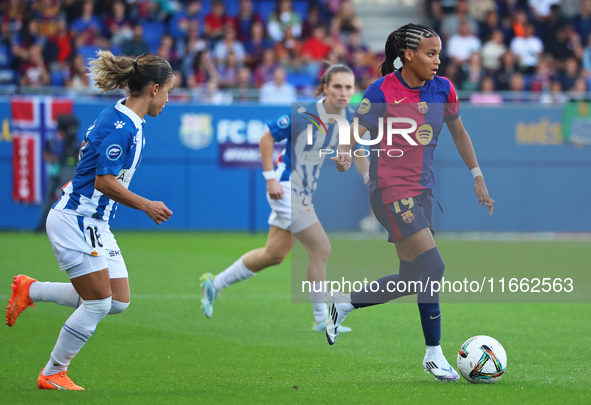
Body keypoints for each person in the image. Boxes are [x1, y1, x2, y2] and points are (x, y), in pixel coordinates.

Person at [327, 23, 495, 381]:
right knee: (434, 267)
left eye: (438, 53)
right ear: (408, 55)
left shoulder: (443, 89)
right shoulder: (383, 90)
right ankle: (433, 354)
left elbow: (459, 132)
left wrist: (477, 175)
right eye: (430, 54)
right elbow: (355, 132)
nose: (437, 61)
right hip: (389, 189)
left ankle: (344, 303)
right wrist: (344, 155)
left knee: (412, 278)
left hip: (422, 190)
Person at [5, 51, 174, 390]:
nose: (168, 101)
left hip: (95, 223)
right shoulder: (120, 126)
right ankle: (53, 372)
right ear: (154, 88)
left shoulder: (126, 119)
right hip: (77, 219)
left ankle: (31, 289)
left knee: (118, 301)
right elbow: (103, 181)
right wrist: (146, 205)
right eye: (169, 91)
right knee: (97, 303)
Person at [200, 64, 369, 331]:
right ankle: (321, 319)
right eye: (337, 86)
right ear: (325, 87)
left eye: (349, 87)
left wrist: (355, 170)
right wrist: (269, 178)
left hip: (302, 193)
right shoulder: (304, 113)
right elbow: (267, 139)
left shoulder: (347, 121)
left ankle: (215, 283)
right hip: (285, 187)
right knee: (321, 248)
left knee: (274, 254)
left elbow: (352, 154)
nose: (344, 92)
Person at [35, 114, 80, 233]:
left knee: (66, 196)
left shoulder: (73, 141)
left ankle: (66, 225)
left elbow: (75, 156)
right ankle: (43, 224)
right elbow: (46, 154)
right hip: (55, 171)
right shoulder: (52, 140)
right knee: (49, 198)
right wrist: (53, 158)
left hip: (67, 171)